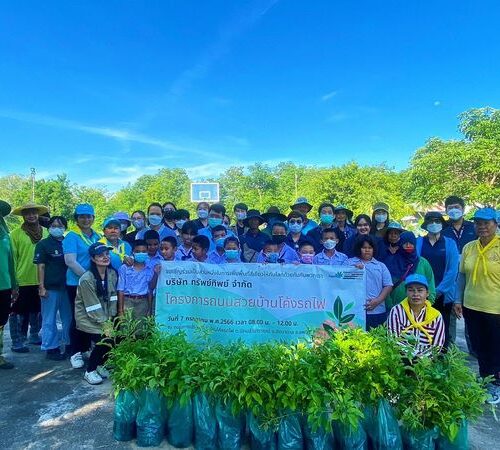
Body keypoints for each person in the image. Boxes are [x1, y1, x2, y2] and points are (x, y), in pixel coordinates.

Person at [454, 207, 500, 405]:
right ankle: (484, 378)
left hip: (495, 308)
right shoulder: (469, 247)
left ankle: (495, 384)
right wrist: (458, 299)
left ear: (495, 224)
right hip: (472, 305)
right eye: (478, 223)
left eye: (486, 223)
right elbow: (462, 276)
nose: (482, 227)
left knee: (495, 348)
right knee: (479, 347)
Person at [63, 203, 101, 369]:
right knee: (78, 317)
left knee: (91, 316)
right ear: (76, 218)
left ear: (93, 218)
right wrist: (88, 277)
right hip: (76, 283)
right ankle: (75, 352)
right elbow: (70, 261)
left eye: (89, 216)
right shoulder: (72, 236)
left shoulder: (97, 236)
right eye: (82, 217)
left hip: (93, 283)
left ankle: (85, 348)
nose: (86, 220)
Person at [74, 242, 117, 385]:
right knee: (103, 339)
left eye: (106, 254)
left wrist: (111, 318)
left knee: (113, 337)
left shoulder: (111, 273)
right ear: (92, 259)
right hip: (88, 317)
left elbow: (113, 297)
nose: (105, 257)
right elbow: (92, 306)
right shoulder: (87, 278)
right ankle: (90, 370)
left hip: (104, 316)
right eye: (100, 255)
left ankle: (100, 365)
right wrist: (106, 324)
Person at [9, 202, 49, 352]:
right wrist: (13, 282)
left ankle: (34, 335)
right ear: (23, 216)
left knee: (37, 310)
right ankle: (17, 341)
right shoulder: (15, 234)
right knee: (18, 312)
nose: (31, 216)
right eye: (27, 213)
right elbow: (12, 258)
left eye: (34, 212)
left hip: (42, 279)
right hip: (22, 279)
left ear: (38, 214)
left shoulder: (46, 233)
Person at [417, 212, 459, 348]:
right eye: (431, 222)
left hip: (443, 294)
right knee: (422, 327)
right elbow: (416, 266)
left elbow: (453, 270)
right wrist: (424, 291)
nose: (434, 224)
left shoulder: (450, 243)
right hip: (422, 294)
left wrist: (438, 290)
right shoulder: (419, 242)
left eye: (437, 221)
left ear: (442, 224)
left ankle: (442, 357)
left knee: (443, 327)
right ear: (426, 225)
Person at [34, 216, 71, 361]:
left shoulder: (68, 242)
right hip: (50, 288)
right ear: (49, 227)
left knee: (68, 319)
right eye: (54, 225)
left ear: (65, 228)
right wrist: (41, 287)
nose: (57, 228)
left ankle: (69, 344)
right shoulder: (43, 244)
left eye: (60, 225)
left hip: (67, 287)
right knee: (49, 320)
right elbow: (41, 266)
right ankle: (51, 347)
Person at [442, 195, 477, 350]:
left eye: (457, 207)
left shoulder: (473, 228)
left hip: (471, 276)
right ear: (446, 210)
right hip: (450, 276)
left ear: (463, 209)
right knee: (450, 312)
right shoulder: (443, 230)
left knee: (472, 312)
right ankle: (450, 349)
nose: (454, 210)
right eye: (450, 208)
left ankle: (475, 349)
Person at [387, 274, 445, 356]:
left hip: (426, 362)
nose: (415, 294)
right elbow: (393, 339)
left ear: (427, 293)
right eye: (411, 290)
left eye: (420, 290)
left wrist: (422, 359)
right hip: (400, 359)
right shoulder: (396, 311)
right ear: (406, 292)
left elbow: (437, 345)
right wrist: (413, 356)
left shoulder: (436, 316)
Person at [346, 235, 393, 330]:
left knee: (376, 340)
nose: (367, 250)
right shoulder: (349, 263)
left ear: (374, 249)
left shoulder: (381, 266)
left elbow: (388, 285)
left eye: (370, 248)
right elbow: (340, 282)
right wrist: (352, 269)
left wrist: (378, 300)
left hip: (377, 311)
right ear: (359, 248)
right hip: (353, 310)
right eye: (364, 247)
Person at [386, 231, 436, 308]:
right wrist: (390, 306)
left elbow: (430, 283)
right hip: (396, 309)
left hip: (420, 309)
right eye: (405, 243)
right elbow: (385, 285)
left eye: (411, 243)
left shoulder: (423, 263)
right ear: (400, 244)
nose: (408, 246)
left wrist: (428, 303)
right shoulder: (391, 262)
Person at [117, 240, 154, 321]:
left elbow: (150, 290)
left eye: (144, 251)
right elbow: (120, 290)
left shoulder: (150, 268)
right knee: (126, 330)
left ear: (147, 252)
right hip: (127, 301)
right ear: (133, 252)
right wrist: (120, 310)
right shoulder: (124, 268)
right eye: (137, 251)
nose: (141, 253)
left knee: (141, 331)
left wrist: (150, 309)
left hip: (143, 302)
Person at [0, 200, 16, 369]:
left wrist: (15, 285)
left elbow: (11, 262)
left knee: (1, 320)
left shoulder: (5, 237)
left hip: (4, 285)